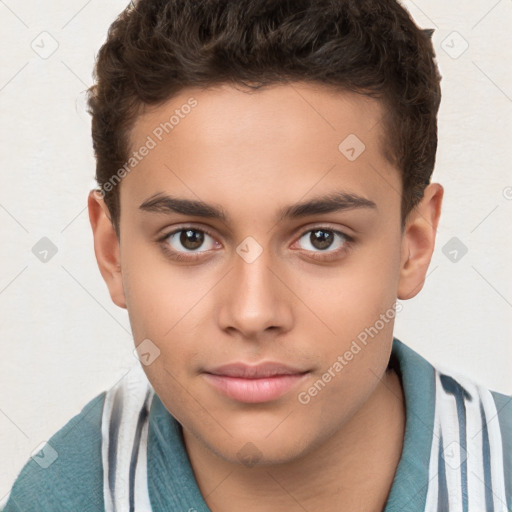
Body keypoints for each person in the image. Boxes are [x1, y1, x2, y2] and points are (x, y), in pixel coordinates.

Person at [4, 0, 511, 510]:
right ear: (112, 253)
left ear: (414, 245)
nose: (252, 313)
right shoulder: (56, 498)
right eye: (190, 239)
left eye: (321, 238)